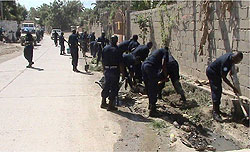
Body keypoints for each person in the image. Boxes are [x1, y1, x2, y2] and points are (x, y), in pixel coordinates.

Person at [206, 52, 243, 122]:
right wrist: (233, 88)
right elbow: (224, 78)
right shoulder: (226, 62)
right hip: (212, 72)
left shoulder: (231, 56)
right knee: (216, 91)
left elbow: (229, 66)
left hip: (216, 72)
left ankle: (217, 110)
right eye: (237, 61)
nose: (237, 63)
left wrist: (231, 70)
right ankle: (215, 113)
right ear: (235, 58)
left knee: (218, 91)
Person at [141, 47, 169, 117]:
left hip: (144, 65)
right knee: (153, 87)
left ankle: (150, 105)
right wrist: (165, 76)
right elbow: (164, 64)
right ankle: (152, 111)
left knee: (148, 86)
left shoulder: (156, 51)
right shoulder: (165, 52)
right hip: (150, 67)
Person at [101, 35, 124, 111]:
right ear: (116, 41)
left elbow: (103, 60)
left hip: (107, 70)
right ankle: (110, 105)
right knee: (114, 87)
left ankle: (103, 102)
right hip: (114, 71)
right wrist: (122, 73)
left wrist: (104, 69)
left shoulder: (105, 48)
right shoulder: (117, 50)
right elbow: (120, 63)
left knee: (106, 86)